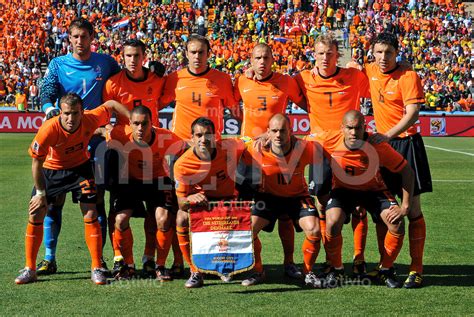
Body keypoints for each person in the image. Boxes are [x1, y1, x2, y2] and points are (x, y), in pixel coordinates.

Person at [15, 93, 129, 285]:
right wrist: (41, 194)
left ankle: (96, 267)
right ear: (60, 112)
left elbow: (111, 104)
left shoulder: (90, 118)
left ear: (82, 112)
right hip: (51, 170)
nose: (70, 118)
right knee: (36, 213)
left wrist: (132, 121)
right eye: (66, 113)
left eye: (75, 113)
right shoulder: (49, 128)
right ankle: (30, 269)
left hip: (80, 169)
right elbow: (36, 162)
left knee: (91, 211)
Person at [37, 18, 121, 275]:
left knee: (96, 200)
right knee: (53, 200)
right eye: (75, 37)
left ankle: (100, 260)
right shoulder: (58, 64)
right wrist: (50, 109)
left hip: (95, 141)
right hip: (62, 140)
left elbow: (123, 86)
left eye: (84, 36)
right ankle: (49, 259)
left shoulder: (106, 63)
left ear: (91, 37)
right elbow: (46, 92)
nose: (80, 42)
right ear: (69, 39)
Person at [294, 33, 370, 277]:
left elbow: (381, 81)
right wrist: (251, 71)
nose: (325, 58)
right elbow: (274, 84)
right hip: (319, 150)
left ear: (338, 55)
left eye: (330, 53)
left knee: (358, 206)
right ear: (313, 55)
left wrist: (403, 66)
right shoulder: (303, 78)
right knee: (322, 203)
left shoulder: (354, 76)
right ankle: (332, 260)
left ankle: (359, 258)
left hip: (350, 150)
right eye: (320, 53)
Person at [365, 32, 432, 288]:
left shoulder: (409, 76)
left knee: (412, 210)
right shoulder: (369, 70)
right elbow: (348, 69)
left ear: (397, 53)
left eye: (389, 53)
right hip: (384, 147)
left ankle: (416, 269)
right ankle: (386, 266)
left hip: (406, 144)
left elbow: (413, 113)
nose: (383, 58)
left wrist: (387, 135)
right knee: (386, 211)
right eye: (379, 52)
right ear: (373, 52)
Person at [234, 43, 305, 279]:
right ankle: (256, 268)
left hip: (279, 154)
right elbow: (230, 104)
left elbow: (309, 103)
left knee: (285, 212)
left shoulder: (286, 82)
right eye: (257, 58)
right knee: (247, 215)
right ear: (250, 61)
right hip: (249, 157)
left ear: (273, 59)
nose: (262, 62)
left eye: (266, 57)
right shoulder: (241, 81)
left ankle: (289, 263)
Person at [323, 110, 414, 288]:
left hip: (374, 191)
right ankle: (337, 269)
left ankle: (386, 269)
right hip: (343, 191)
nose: (353, 132)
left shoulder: (377, 145)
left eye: (358, 128)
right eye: (349, 128)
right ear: (342, 128)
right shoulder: (328, 140)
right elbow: (299, 143)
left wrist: (405, 206)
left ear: (365, 127)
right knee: (332, 222)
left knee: (397, 223)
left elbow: (407, 171)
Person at [102, 39, 169, 278]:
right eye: (128, 56)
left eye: (136, 56)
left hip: (153, 152)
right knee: (118, 211)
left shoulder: (157, 79)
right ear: (123, 56)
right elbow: (104, 117)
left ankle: (150, 259)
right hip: (124, 154)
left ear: (144, 56)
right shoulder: (112, 84)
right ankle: (121, 258)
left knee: (156, 214)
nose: (132, 60)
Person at [240, 114, 324, 288]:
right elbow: (229, 146)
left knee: (315, 230)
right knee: (248, 231)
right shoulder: (255, 148)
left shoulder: (305, 148)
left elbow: (329, 151)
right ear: (268, 132)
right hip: (268, 197)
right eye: (274, 131)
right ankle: (258, 270)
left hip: (297, 196)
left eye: (283, 131)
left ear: (291, 132)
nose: (278, 135)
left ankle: (307, 272)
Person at [105, 106, 186, 281]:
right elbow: (104, 131)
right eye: (136, 124)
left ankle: (160, 266)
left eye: (144, 124)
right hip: (131, 180)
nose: (140, 128)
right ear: (130, 124)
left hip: (158, 180)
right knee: (120, 220)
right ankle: (129, 266)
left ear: (152, 123)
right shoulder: (121, 134)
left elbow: (187, 146)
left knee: (163, 219)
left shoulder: (166, 137)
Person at [173, 117, 247, 288]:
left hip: (227, 201)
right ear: (191, 138)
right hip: (202, 204)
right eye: (198, 135)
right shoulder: (182, 164)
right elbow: (181, 203)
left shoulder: (230, 147)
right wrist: (190, 198)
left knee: (251, 215)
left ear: (215, 136)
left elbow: (250, 142)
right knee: (181, 218)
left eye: (207, 135)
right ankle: (195, 271)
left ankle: (232, 267)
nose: (203, 139)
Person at [160, 34, 240, 141]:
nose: (197, 56)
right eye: (193, 52)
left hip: (210, 144)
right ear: (187, 54)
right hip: (181, 143)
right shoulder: (174, 78)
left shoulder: (223, 79)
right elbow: (155, 105)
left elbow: (235, 111)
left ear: (208, 54)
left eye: (201, 52)